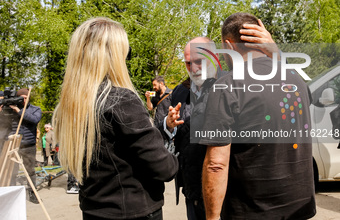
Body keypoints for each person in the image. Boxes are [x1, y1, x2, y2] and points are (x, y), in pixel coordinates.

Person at [52, 17, 178, 220]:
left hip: (94, 210)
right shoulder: (120, 99)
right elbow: (165, 168)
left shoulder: (72, 104)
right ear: (114, 56)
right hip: (132, 210)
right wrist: (170, 145)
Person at [200, 13, 316, 219]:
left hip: (252, 211)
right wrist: (276, 53)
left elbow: (216, 164)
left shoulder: (227, 86)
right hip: (298, 208)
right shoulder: (296, 80)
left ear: (228, 45)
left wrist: (212, 217)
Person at [161, 21, 276, 220]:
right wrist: (169, 126)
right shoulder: (180, 91)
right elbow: (169, 136)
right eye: (188, 62)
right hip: (191, 191)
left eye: (199, 61)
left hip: (225, 194)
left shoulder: (234, 84)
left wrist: (275, 54)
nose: (193, 68)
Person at [10, 88, 42, 204]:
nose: (23, 100)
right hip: (14, 145)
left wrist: (19, 110)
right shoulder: (10, 109)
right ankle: (12, 194)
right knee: (12, 171)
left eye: (25, 98)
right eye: (21, 98)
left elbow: (35, 119)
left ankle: (32, 194)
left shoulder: (35, 109)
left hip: (29, 145)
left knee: (30, 171)